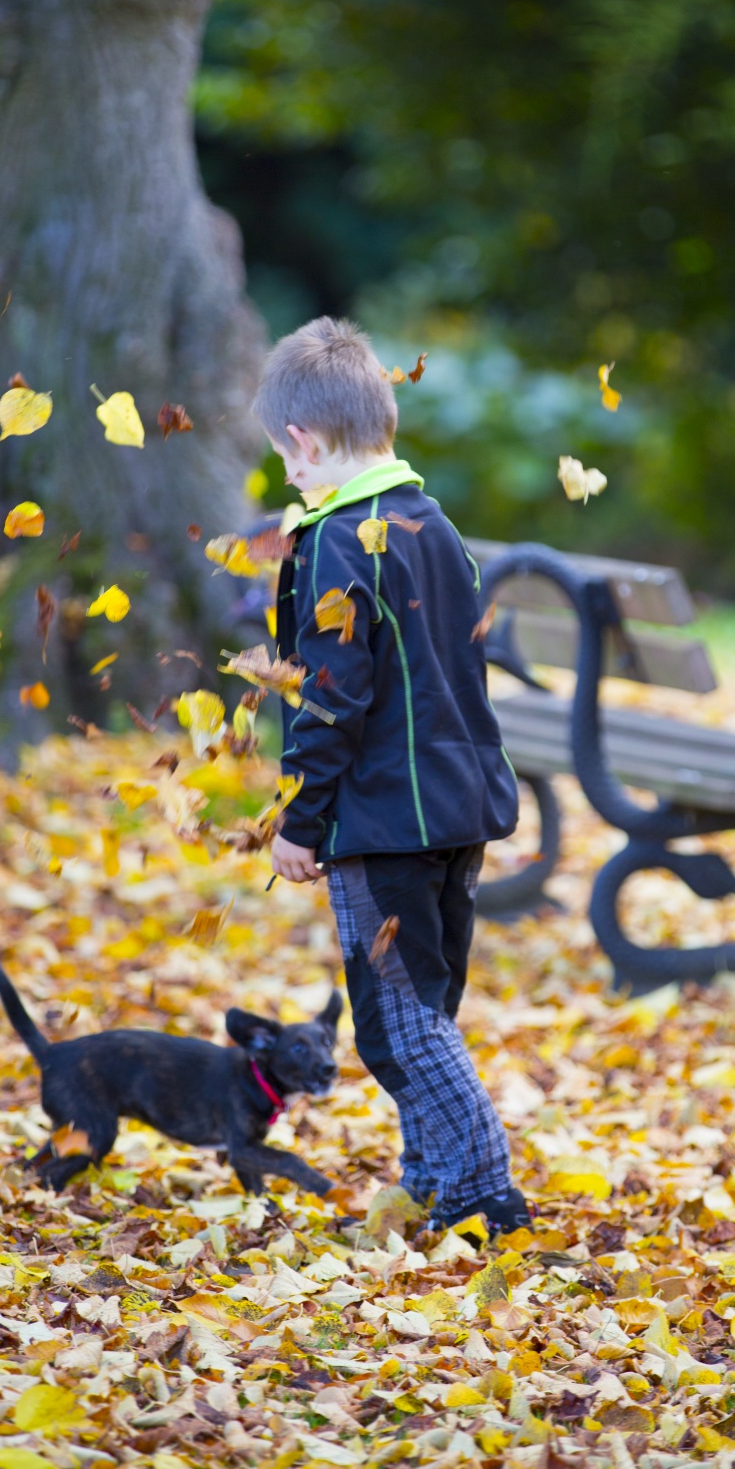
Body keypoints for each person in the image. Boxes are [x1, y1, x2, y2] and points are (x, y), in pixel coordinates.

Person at [253, 316, 529, 1233]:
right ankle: (430, 1181)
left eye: (286, 463)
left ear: (305, 440)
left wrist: (300, 817)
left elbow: (332, 695)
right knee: (429, 1005)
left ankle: (487, 1190)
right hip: (457, 806)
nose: (290, 481)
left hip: (385, 819)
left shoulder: (341, 538)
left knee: (398, 1024)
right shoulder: (432, 522)